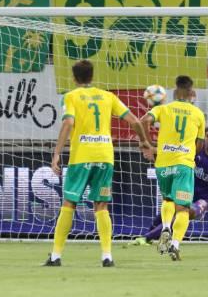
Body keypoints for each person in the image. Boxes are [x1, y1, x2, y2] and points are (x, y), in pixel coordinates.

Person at [44, 60, 151, 267]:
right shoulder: (108, 96)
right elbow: (136, 121)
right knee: (101, 205)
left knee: (69, 203)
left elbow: (68, 122)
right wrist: (144, 141)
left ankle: (56, 256)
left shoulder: (71, 96)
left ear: (74, 77)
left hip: (81, 157)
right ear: (92, 76)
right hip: (104, 156)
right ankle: (107, 256)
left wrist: (57, 153)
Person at [132, 126, 208, 245]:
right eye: (207, 136)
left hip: (202, 200)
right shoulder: (196, 148)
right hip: (185, 191)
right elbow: (176, 155)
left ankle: (146, 238)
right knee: (164, 216)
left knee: (183, 213)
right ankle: (147, 239)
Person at [140, 76, 205, 261]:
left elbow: (144, 121)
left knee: (168, 199)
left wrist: (149, 144)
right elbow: (200, 143)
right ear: (191, 93)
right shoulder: (198, 113)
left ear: (175, 91)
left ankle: (166, 226)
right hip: (183, 164)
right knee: (183, 208)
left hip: (163, 163)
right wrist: (190, 153)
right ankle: (175, 244)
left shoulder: (163, 108)